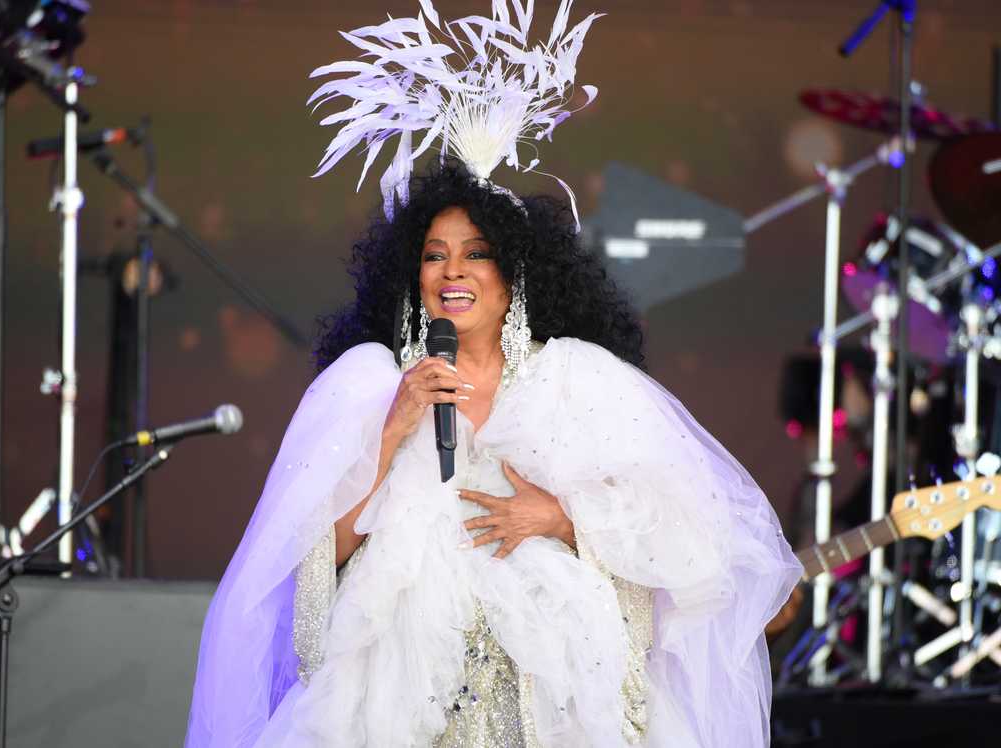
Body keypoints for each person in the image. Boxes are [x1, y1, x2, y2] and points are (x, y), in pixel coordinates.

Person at [186, 3, 799, 745]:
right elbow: (318, 564)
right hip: (404, 714)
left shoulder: (577, 381)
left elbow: (690, 539)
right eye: (435, 254)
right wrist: (390, 435)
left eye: (476, 253)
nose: (453, 271)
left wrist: (564, 520)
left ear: (515, 275)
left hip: (555, 709)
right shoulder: (370, 384)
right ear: (412, 275)